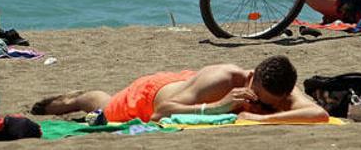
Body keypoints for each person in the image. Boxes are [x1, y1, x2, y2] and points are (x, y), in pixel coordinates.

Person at [31, 55, 328, 123]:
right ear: (252, 79)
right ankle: (74, 99)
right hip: (152, 95)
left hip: (185, 84)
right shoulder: (225, 81)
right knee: (104, 108)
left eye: (271, 105)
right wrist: (218, 106)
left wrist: (261, 117)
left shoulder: (278, 87)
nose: (264, 106)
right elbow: (162, 113)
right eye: (260, 101)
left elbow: (319, 115)